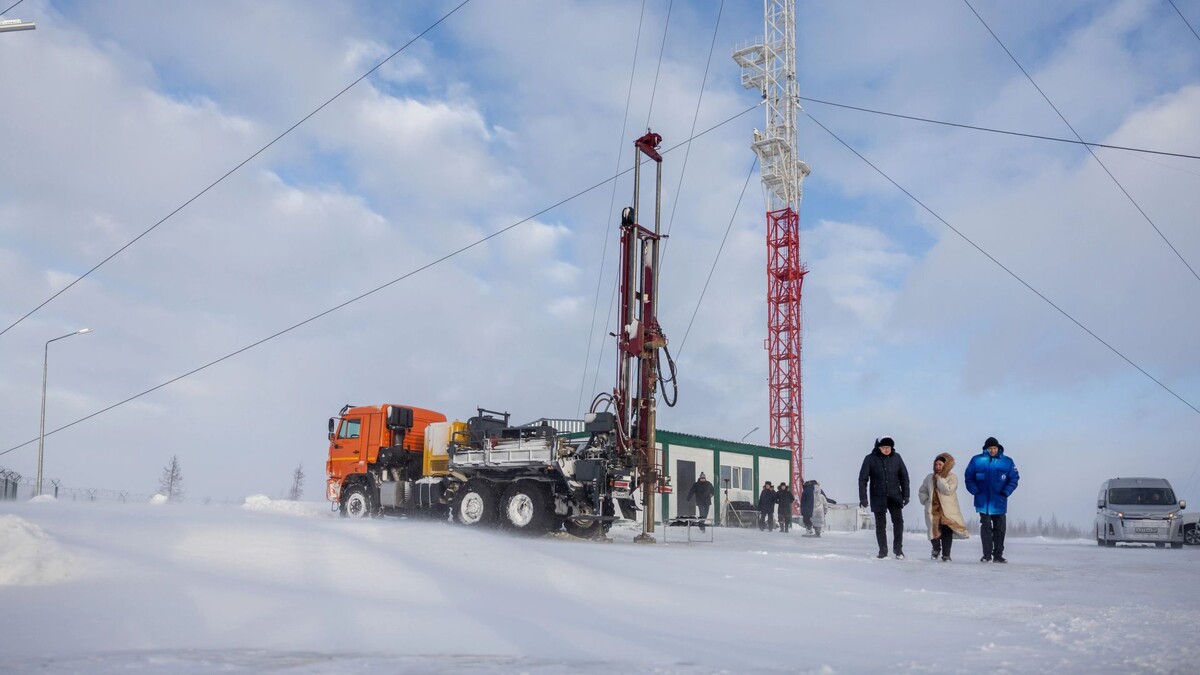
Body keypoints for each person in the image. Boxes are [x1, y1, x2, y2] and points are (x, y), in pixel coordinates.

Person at [964, 436, 1019, 563]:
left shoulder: (1007, 462)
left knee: (1000, 529)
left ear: (998, 448)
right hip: (983, 502)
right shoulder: (976, 460)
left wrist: (1006, 492)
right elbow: (969, 477)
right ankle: (987, 555)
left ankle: (998, 555)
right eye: (990, 448)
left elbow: (1014, 478)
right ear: (986, 449)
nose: (992, 450)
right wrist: (975, 491)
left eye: (994, 448)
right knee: (986, 528)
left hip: (999, 501)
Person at [858, 436, 910, 559]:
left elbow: (904, 477)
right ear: (878, 447)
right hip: (878, 496)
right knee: (880, 524)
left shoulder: (897, 458)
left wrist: (906, 494)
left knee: (898, 522)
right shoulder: (870, 459)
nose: (886, 450)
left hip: (895, 496)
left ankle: (898, 550)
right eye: (884, 447)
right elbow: (862, 479)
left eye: (889, 447)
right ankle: (883, 550)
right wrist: (863, 498)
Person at [917, 453, 969, 561]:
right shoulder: (929, 478)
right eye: (936, 464)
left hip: (948, 511)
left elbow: (948, 490)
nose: (938, 467)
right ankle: (936, 549)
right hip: (933, 509)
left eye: (940, 465)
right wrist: (925, 499)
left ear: (946, 465)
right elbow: (922, 490)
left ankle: (946, 554)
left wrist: (940, 479)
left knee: (946, 531)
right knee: (934, 530)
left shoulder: (952, 477)